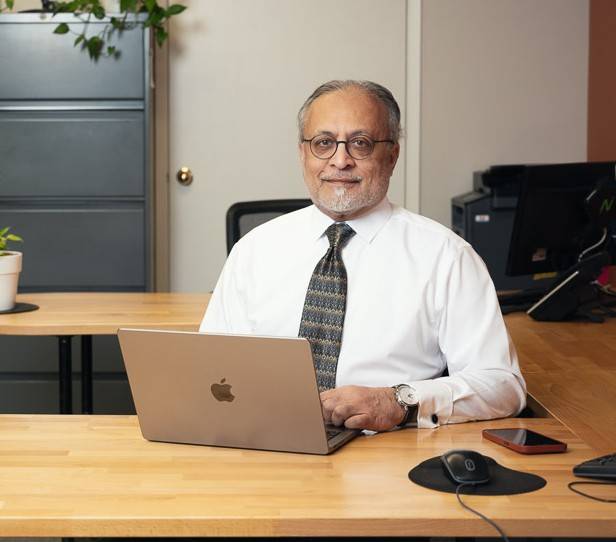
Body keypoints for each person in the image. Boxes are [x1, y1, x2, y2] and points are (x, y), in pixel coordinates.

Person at [200, 80, 526, 432]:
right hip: (261, 443)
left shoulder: (447, 257)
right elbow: (208, 368)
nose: (340, 161)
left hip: (384, 456)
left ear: (392, 155)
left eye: (361, 144)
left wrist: (400, 401)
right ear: (303, 153)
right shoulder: (254, 249)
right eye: (324, 143)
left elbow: (504, 386)